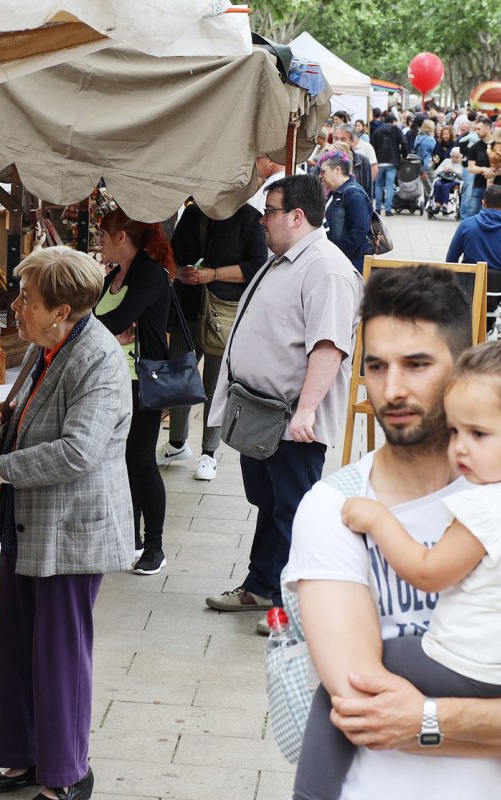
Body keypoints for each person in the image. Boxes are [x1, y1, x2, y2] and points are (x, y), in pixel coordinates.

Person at [286, 267, 501, 800]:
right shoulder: (337, 509)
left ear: (463, 369)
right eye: (376, 366)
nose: (392, 390)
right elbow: (361, 702)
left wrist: (433, 718)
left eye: (416, 365)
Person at [0, 246, 132, 800]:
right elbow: (43, 416)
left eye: (27, 298)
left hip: (73, 530)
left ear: (61, 310)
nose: (16, 305)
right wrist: (8, 421)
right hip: (31, 524)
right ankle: (24, 758)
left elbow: (79, 451)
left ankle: (66, 776)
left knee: (58, 655)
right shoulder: (46, 346)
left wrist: (0, 469)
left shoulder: (99, 360)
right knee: (14, 643)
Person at [203, 174, 362, 625]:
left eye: (269, 212)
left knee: (296, 512)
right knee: (271, 504)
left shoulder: (326, 268)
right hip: (263, 413)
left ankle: (295, 608)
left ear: (297, 216)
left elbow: (328, 346)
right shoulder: (287, 258)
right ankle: (260, 586)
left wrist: (307, 410)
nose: (262, 222)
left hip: (293, 419)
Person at [162, 199, 268, 482]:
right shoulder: (193, 213)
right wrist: (180, 271)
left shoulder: (249, 218)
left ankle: (209, 452)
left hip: (223, 313)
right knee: (179, 376)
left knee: (214, 383)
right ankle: (176, 443)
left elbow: (257, 265)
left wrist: (214, 274)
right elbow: (173, 252)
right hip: (186, 307)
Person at [94, 210, 173, 575]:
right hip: (111, 381)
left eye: (103, 236)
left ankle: (154, 544)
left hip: (143, 381)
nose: (100, 243)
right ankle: (132, 535)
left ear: (121, 237)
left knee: (141, 459)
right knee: (121, 460)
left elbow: (114, 320)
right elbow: (96, 322)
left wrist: (107, 329)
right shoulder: (111, 276)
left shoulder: (151, 274)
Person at [446, 185, 501, 291]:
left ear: (483, 203)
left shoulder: (466, 225)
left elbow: (451, 258)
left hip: (468, 286)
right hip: (496, 287)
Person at [319, 153, 373, 273]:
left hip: (353, 261)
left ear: (337, 170)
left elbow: (360, 229)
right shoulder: (337, 193)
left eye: (323, 171)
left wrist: (339, 254)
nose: (320, 176)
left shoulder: (353, 193)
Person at [371, 112, 407, 216]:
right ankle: (388, 209)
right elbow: (404, 143)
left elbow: (372, 146)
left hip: (379, 162)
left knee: (378, 185)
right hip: (392, 162)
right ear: (393, 121)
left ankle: (377, 208)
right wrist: (404, 155)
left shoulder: (377, 131)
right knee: (390, 185)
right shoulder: (397, 131)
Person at [331, 124, 375, 197]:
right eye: (335, 138)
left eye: (343, 139)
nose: (338, 142)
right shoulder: (325, 160)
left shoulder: (362, 161)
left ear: (352, 141)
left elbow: (368, 190)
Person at [430, 147, 465, 215]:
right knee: (437, 184)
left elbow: (463, 177)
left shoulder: (462, 164)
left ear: (460, 157)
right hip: (444, 179)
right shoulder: (446, 161)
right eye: (453, 156)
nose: (454, 158)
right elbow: (435, 172)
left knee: (445, 186)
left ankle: (445, 206)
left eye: (456, 157)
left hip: (455, 181)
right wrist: (443, 170)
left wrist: (454, 171)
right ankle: (437, 205)